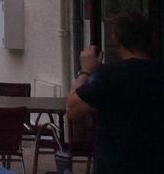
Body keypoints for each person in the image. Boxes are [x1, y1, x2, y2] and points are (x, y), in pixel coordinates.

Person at [66, 11, 164, 171]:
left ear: (117, 40)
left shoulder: (109, 75)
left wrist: (85, 71)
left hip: (115, 164)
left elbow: (72, 109)